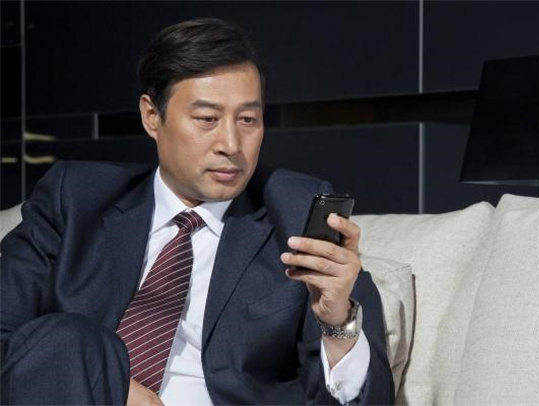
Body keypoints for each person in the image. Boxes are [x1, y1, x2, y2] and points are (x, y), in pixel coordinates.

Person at [0, 18, 394, 405]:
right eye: (207, 119)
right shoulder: (76, 199)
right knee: (68, 338)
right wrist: (113, 388)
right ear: (152, 116)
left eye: (248, 120)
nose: (231, 144)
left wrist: (337, 322)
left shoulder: (295, 214)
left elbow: (367, 400)